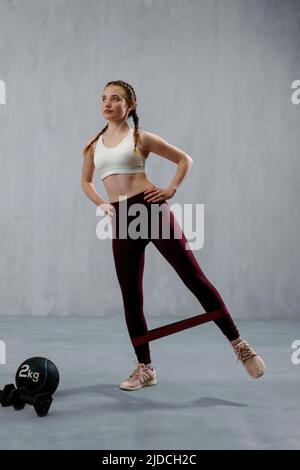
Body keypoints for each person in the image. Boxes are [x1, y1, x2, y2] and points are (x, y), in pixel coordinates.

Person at [81, 79, 265, 391]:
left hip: (150, 208)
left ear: (130, 106)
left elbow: (184, 159)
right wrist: (102, 204)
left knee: (193, 277)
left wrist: (170, 189)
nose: (107, 104)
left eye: (115, 99)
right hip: (122, 218)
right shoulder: (93, 146)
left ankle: (239, 344)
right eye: (103, 99)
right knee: (131, 295)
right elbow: (86, 182)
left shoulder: (141, 137)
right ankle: (145, 367)